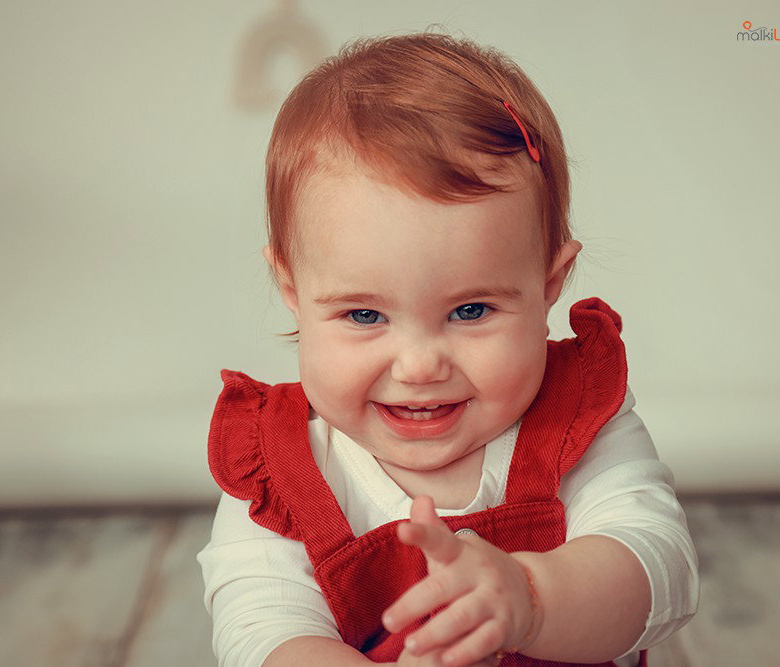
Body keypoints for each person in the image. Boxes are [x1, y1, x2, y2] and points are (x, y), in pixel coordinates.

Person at [197, 31, 698, 667]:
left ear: (549, 284)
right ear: (293, 289)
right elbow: (261, 633)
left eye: (470, 310)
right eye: (364, 314)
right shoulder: (281, 471)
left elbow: (661, 569)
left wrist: (534, 599)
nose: (420, 366)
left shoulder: (580, 422)